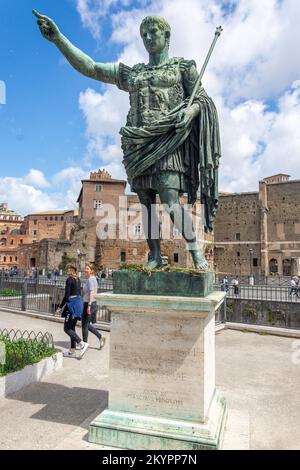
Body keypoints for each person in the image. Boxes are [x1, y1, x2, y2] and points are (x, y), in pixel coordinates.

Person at [33, 12, 221, 271]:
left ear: (166, 35)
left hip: (167, 143)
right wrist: (59, 40)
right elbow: (92, 67)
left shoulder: (183, 68)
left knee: (169, 201)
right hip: (138, 147)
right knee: (145, 205)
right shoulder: (133, 74)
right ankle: (154, 256)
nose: (147, 38)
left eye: (152, 32)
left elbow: (202, 100)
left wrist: (190, 111)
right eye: (143, 34)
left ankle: (196, 254)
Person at [56, 264, 88, 358]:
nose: (66, 271)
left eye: (67, 269)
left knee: (67, 328)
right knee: (72, 328)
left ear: (70, 270)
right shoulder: (78, 279)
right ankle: (72, 350)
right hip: (78, 303)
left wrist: (60, 307)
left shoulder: (69, 279)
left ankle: (82, 344)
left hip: (72, 306)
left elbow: (67, 296)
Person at [81, 263, 106, 349]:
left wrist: (89, 305)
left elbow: (92, 292)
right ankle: (100, 337)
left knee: (84, 325)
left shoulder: (91, 279)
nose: (85, 270)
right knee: (86, 324)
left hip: (89, 303)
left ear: (91, 271)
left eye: (87, 269)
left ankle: (84, 344)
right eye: (85, 268)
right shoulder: (93, 279)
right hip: (91, 303)